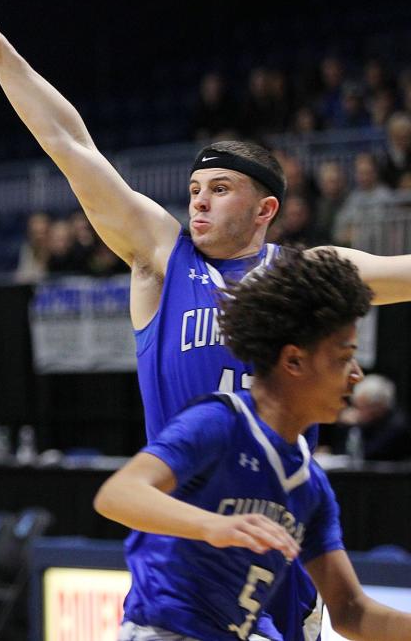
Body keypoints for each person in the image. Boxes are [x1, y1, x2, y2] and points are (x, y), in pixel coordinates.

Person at [0, 0, 411, 641]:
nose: (198, 199)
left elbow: (403, 271)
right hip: (186, 541)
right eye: (195, 187)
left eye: (219, 188)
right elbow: (70, 146)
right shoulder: (162, 254)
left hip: (276, 527)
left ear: (266, 207)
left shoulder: (305, 276)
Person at [94, 248, 411, 640]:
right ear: (294, 362)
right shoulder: (221, 421)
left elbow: (350, 611)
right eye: (344, 358)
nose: (356, 375)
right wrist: (215, 526)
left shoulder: (310, 486)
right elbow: (117, 495)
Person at [331, 373, 411, 462]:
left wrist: (351, 427)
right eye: (355, 406)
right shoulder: (367, 422)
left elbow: (365, 455)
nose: (356, 412)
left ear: (379, 406)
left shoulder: (397, 427)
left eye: (361, 407)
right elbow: (340, 452)